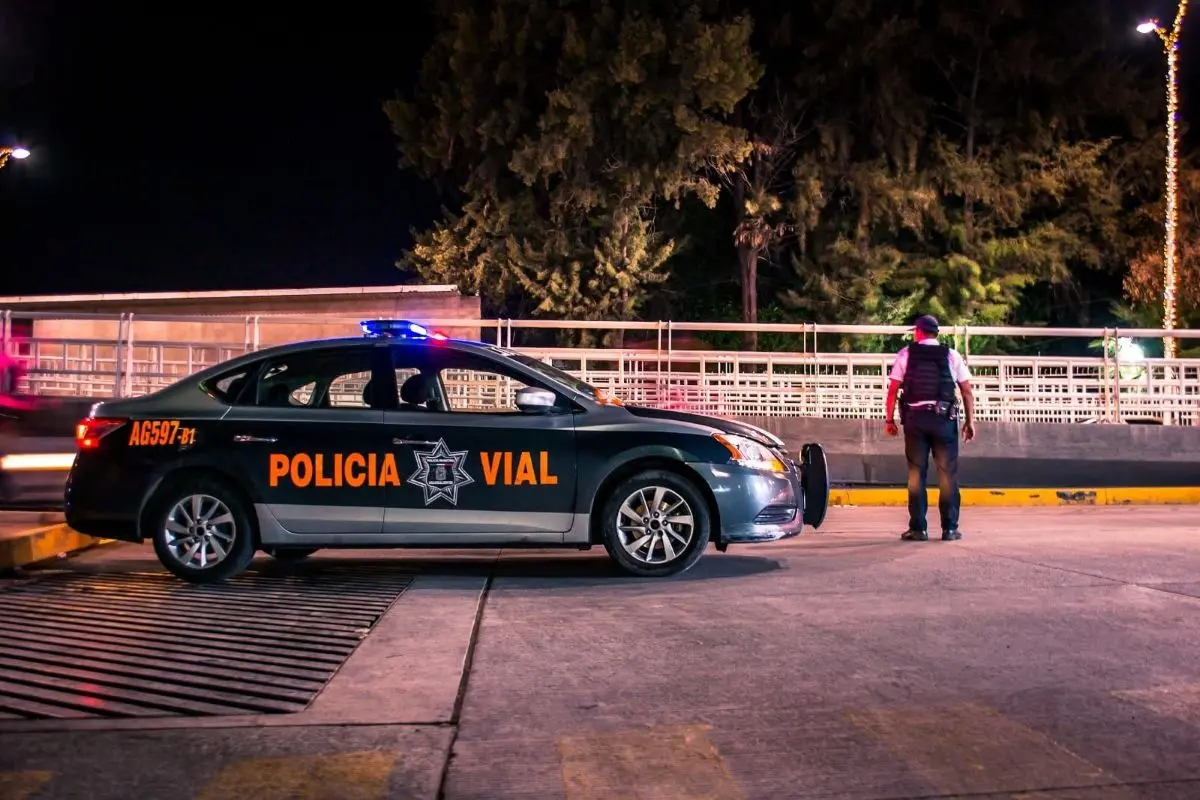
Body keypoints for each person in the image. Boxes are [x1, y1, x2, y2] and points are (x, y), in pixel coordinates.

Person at [884, 314, 975, 541]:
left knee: (916, 474)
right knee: (947, 474)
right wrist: (970, 421)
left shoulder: (906, 354)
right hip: (944, 420)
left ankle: (918, 529)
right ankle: (950, 529)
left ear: (919, 331)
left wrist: (889, 420)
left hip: (915, 420)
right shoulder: (951, 355)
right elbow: (966, 391)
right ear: (936, 333)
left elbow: (893, 390)